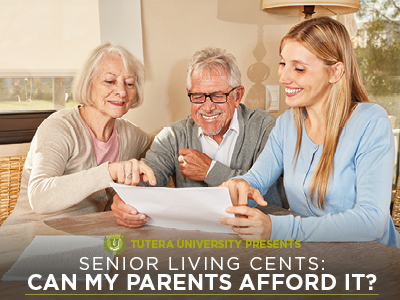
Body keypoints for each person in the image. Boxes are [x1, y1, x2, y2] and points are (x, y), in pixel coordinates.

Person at [220, 16, 400, 248]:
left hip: (373, 259)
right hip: (312, 254)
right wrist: (239, 185)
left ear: (335, 72)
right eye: (283, 63)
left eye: (299, 68)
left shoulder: (370, 121)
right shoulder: (286, 124)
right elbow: (255, 180)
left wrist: (277, 229)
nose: (283, 77)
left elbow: (371, 221)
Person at [111, 46, 287, 228]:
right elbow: (146, 182)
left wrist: (210, 171)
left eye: (218, 96)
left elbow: (274, 198)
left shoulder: (264, 126)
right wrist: (125, 201)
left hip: (256, 239)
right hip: (194, 241)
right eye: (198, 96)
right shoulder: (173, 136)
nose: (207, 107)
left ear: (237, 96)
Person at [3, 42, 154, 226]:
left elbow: (164, 147)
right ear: (88, 83)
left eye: (129, 83)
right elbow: (39, 197)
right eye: (110, 81)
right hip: (29, 237)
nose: (122, 91)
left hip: (86, 239)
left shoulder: (132, 136)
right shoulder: (59, 127)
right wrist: (108, 171)